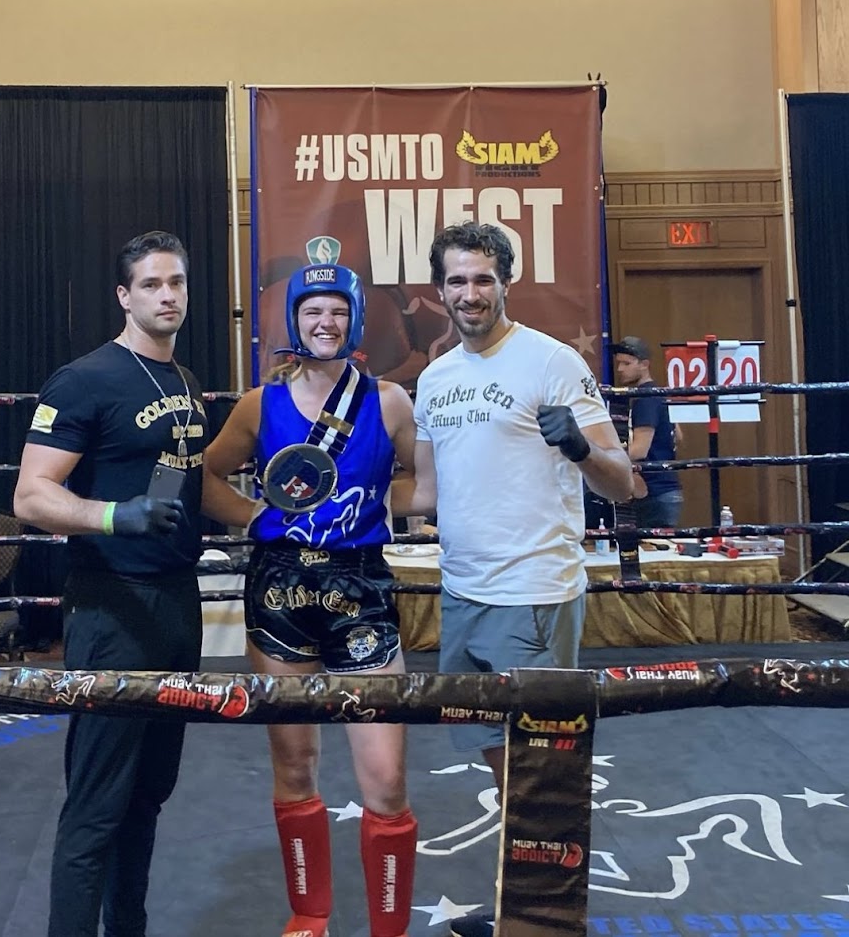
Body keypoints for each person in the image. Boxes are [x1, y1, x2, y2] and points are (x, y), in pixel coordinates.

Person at [394, 222, 635, 937]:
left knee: (541, 771)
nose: (470, 293)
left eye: (483, 279)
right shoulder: (435, 378)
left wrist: (580, 448)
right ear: (439, 291)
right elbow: (425, 494)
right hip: (463, 594)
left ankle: (545, 922)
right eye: (457, 281)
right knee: (505, 770)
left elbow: (622, 482)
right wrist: (327, 496)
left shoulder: (551, 361)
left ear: (506, 282)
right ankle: (520, 909)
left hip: (532, 591)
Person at [201, 263, 419, 937]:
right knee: (293, 765)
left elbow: (426, 484)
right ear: (294, 319)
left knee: (385, 778)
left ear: (355, 319)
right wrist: (255, 517)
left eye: (337, 310)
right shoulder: (258, 404)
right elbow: (206, 476)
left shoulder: (388, 401)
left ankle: (388, 930)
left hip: (360, 589)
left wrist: (372, 504)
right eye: (312, 311)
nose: (325, 322)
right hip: (280, 589)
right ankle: (309, 916)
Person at [13, 230, 208, 937]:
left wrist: (276, 513)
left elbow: (197, 488)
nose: (167, 296)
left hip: (176, 602)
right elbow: (31, 495)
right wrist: (113, 515)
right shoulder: (84, 380)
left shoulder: (185, 382)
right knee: (98, 803)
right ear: (125, 296)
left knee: (148, 795)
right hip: (112, 607)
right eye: (152, 284)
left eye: (176, 282)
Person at [609, 335, 684, 529]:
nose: (620, 369)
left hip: (654, 491)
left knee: (652, 546)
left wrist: (605, 459)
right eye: (619, 363)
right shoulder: (659, 393)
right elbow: (678, 435)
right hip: (666, 488)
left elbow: (639, 450)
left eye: (627, 363)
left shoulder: (645, 399)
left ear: (644, 365)